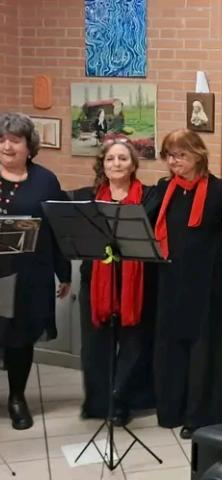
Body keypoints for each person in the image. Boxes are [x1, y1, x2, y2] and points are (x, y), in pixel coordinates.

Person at [149, 129, 222, 439]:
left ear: (198, 155)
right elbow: (142, 222)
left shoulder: (217, 190)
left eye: (181, 154)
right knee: (172, 347)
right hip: (171, 283)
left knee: (205, 350)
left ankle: (201, 416)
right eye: (169, 155)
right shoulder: (164, 188)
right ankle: (173, 409)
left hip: (207, 286)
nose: (174, 161)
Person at [66, 139, 160, 427]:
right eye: (110, 159)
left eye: (122, 158)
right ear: (102, 165)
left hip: (137, 282)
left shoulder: (150, 196)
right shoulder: (88, 198)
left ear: (133, 164)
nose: (116, 164)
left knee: (134, 343)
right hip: (97, 280)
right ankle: (99, 401)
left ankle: (122, 401)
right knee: (95, 343)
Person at [0, 112, 71, 430]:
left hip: (28, 276)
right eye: (2, 140)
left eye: (15, 140)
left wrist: (64, 273)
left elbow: (57, 230)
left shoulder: (46, 181)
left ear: (29, 145)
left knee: (19, 340)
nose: (7, 146)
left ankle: (17, 398)